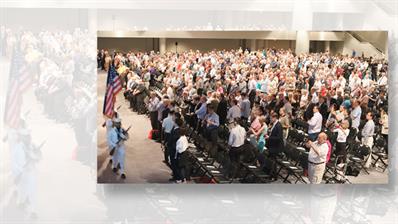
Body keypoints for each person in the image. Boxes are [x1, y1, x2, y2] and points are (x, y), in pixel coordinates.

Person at [167, 117, 182, 182]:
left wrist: (169, 143)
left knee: (174, 163)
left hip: (174, 148)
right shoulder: (175, 128)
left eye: (174, 122)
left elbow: (174, 139)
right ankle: (175, 175)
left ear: (176, 123)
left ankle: (177, 177)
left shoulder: (178, 130)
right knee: (172, 162)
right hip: (171, 147)